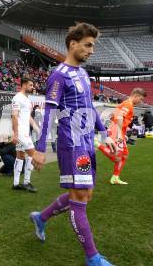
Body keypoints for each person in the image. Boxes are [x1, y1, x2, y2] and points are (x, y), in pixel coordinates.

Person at [30, 23, 117, 266]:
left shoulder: (83, 74)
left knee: (85, 194)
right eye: (88, 45)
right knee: (79, 197)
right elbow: (48, 111)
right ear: (73, 44)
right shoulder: (58, 75)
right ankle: (93, 258)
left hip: (88, 141)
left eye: (93, 46)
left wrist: (104, 133)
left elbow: (90, 107)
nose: (92, 50)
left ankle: (41, 217)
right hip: (72, 144)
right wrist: (39, 147)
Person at [98, 88, 146, 185]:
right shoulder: (128, 104)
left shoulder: (125, 103)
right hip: (116, 132)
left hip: (117, 130)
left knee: (124, 155)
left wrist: (125, 129)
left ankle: (115, 177)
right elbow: (119, 117)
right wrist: (120, 133)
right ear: (135, 96)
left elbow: (114, 115)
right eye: (141, 99)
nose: (141, 102)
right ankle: (97, 144)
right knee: (117, 158)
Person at [11, 78, 39, 193]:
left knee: (20, 156)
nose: (32, 87)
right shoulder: (17, 98)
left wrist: (37, 128)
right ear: (23, 85)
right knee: (34, 154)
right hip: (21, 133)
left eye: (33, 85)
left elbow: (28, 117)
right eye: (30, 85)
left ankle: (16, 183)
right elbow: (14, 116)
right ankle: (26, 182)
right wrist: (16, 134)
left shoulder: (26, 99)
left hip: (25, 132)